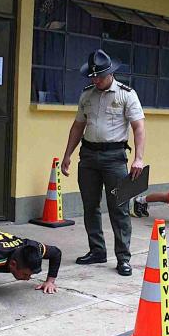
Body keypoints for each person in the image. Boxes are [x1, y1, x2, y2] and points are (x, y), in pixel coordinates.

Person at [61, 49, 146, 277]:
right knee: (90, 206)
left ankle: (123, 258)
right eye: (92, 76)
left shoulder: (127, 94)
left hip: (114, 158)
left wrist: (138, 158)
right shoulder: (87, 95)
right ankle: (97, 250)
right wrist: (68, 154)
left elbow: (138, 127)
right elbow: (78, 126)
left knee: (119, 208)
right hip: (88, 156)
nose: (95, 80)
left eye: (98, 76)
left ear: (110, 73)